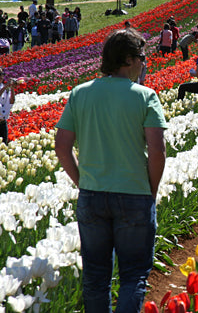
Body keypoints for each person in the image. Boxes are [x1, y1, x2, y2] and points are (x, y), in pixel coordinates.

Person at [54, 28, 167, 313]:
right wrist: (150, 190)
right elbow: (157, 150)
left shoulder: (81, 93)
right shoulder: (145, 96)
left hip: (92, 195)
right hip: (134, 195)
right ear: (127, 59)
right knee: (133, 274)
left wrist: (82, 181)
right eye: (142, 56)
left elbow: (61, 146)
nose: (144, 62)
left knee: (95, 276)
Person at [0, 69, 15, 144]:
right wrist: (6, 86)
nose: (1, 76)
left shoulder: (4, 88)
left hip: (3, 123)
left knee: (4, 145)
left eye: (2, 74)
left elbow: (11, 101)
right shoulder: (4, 88)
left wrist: (12, 88)